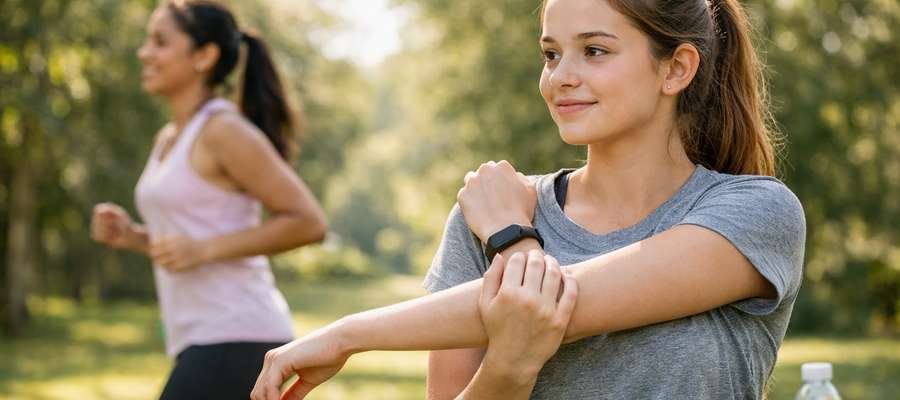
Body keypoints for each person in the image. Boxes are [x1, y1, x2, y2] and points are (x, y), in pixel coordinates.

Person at [251, 0, 806, 399]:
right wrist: (511, 367)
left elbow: (561, 299)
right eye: (550, 54)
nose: (560, 77)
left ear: (676, 68)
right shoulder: (484, 214)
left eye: (594, 50)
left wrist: (349, 335)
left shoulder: (755, 213)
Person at [89, 1, 327, 399]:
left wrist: (204, 250)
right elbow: (191, 237)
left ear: (204, 56)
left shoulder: (223, 131)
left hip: (239, 333)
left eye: (160, 42)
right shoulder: (169, 137)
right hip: (203, 337)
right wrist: (131, 237)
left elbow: (309, 222)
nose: (143, 53)